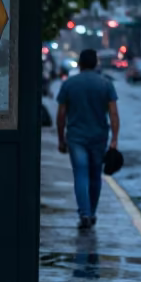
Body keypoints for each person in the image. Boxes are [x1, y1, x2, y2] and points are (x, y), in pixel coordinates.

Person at [57, 48, 120, 231]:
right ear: (96, 64)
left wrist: (61, 139)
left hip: (76, 137)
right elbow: (113, 115)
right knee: (95, 176)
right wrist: (114, 140)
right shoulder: (106, 84)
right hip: (99, 137)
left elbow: (61, 115)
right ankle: (91, 212)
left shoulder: (69, 84)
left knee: (80, 174)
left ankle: (84, 213)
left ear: (80, 64)